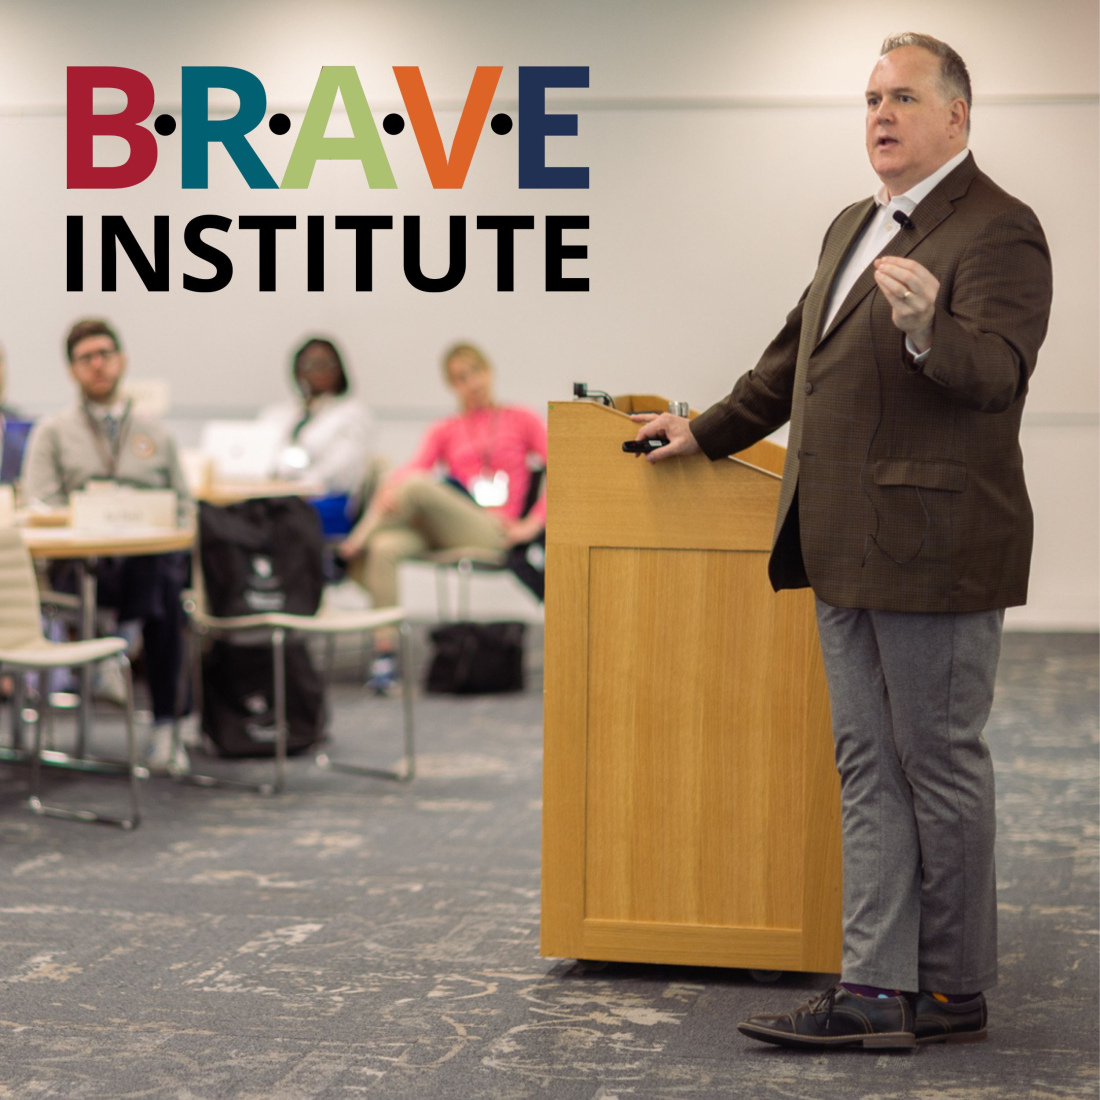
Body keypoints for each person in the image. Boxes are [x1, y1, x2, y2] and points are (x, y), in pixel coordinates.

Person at [634, 33, 1052, 1049]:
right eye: (869, 97)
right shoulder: (852, 224)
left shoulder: (999, 229)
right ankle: (878, 985)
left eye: (903, 97)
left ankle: (945, 986)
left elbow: (994, 371)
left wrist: (923, 328)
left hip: (934, 542)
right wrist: (705, 429)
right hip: (838, 537)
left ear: (955, 116)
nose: (880, 114)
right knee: (867, 763)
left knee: (935, 764)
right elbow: (793, 358)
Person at [22, 319, 194, 773]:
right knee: (165, 592)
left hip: (147, 560)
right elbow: (39, 503)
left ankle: (151, 706)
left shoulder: (154, 432)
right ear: (72, 370)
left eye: (105, 354)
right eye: (86, 358)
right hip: (82, 569)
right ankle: (144, 682)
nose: (98, 365)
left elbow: (183, 503)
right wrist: (94, 514)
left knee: (164, 580)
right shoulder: (53, 432)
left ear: (122, 361)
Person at [338, 343, 546, 693]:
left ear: (489, 371)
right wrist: (388, 489)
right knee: (386, 545)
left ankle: (350, 547)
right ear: (452, 385)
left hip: (493, 530)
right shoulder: (446, 429)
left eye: (476, 372)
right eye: (461, 378)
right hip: (449, 529)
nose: (472, 383)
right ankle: (384, 657)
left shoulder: (520, 419)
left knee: (416, 487)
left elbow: (565, 471)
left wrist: (531, 525)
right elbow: (412, 467)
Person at [258, 337, 373, 507]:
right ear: (297, 371)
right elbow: (262, 456)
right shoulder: (281, 413)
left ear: (340, 370)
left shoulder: (352, 414)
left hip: (326, 500)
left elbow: (340, 474)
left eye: (326, 364)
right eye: (310, 364)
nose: (319, 371)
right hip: (278, 495)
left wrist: (295, 485)